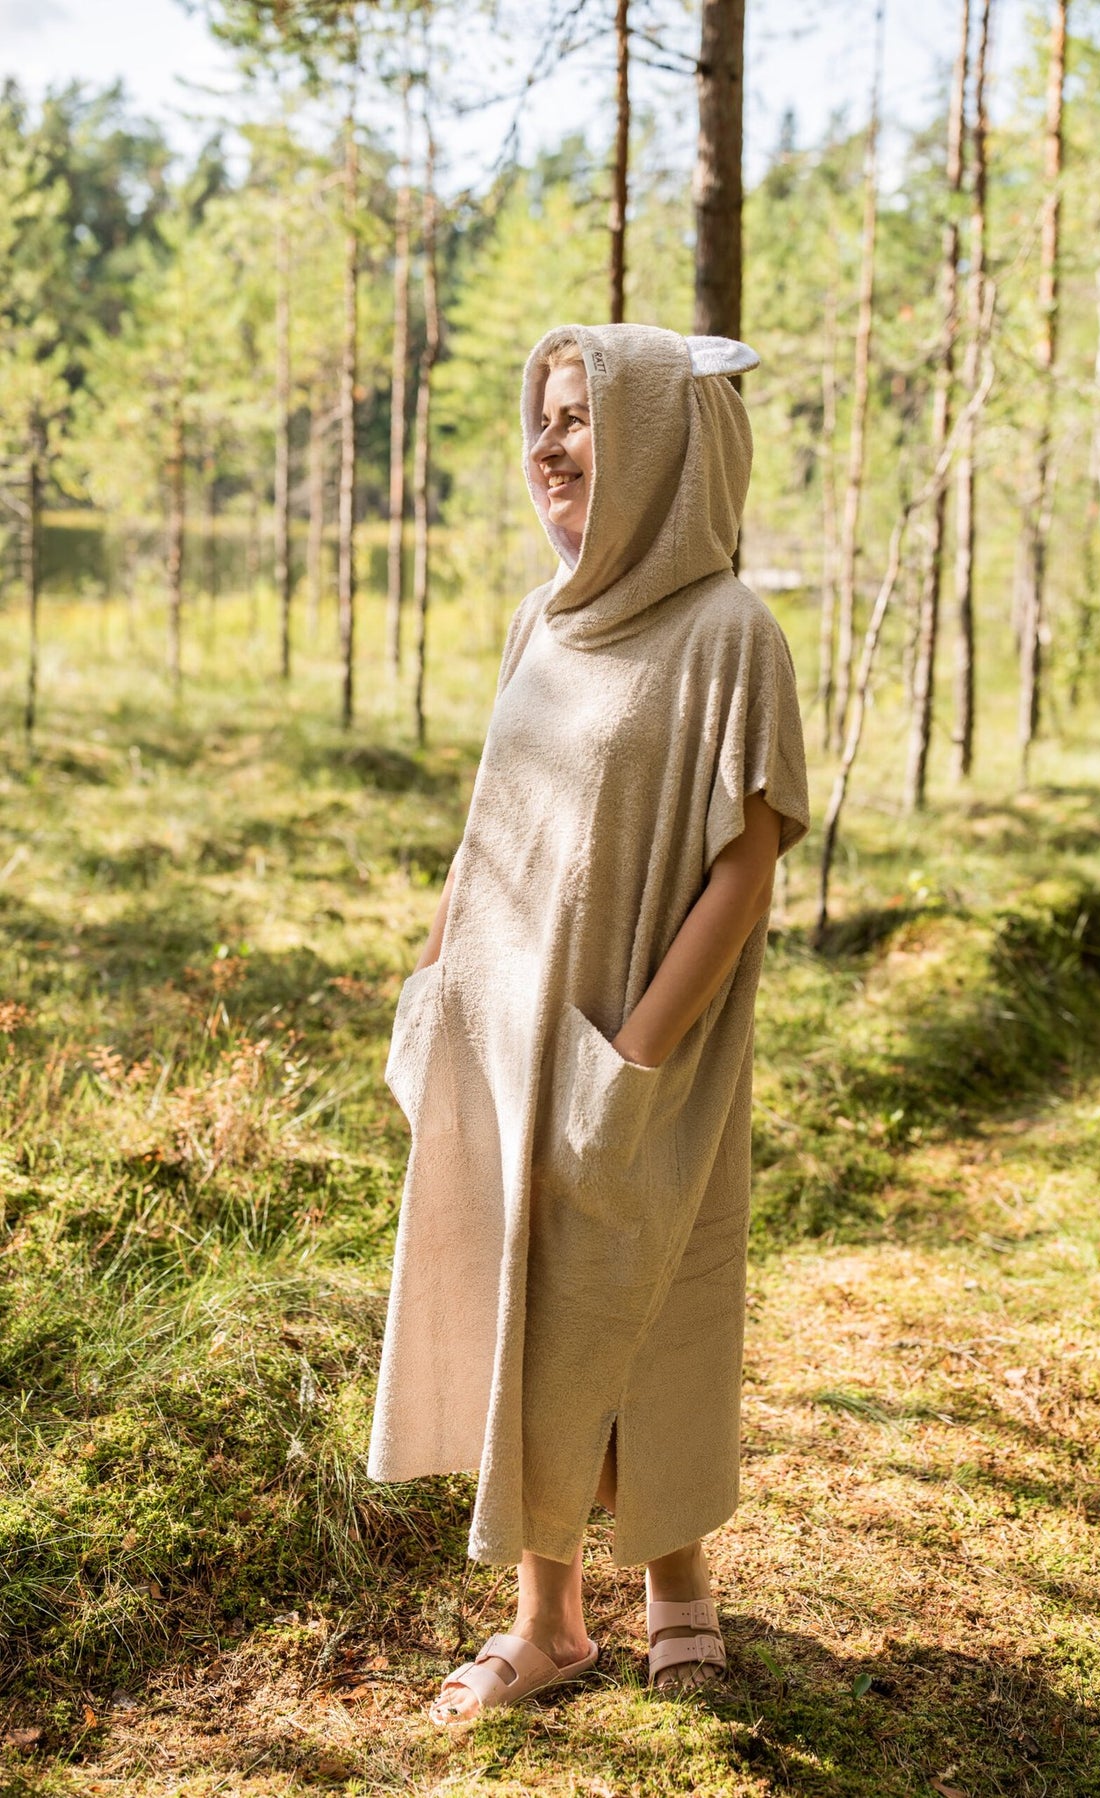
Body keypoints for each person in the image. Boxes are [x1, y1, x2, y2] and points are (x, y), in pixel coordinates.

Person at [368, 322, 809, 1723]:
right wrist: (432, 975)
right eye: (544, 419)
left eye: (587, 420)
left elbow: (749, 860)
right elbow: (488, 821)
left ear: (668, 449)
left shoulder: (732, 632)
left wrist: (639, 1053)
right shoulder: (542, 615)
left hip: (637, 1036)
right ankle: (549, 1621)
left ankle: (680, 1575)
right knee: (533, 1301)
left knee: (652, 1284)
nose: (552, 448)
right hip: (502, 1020)